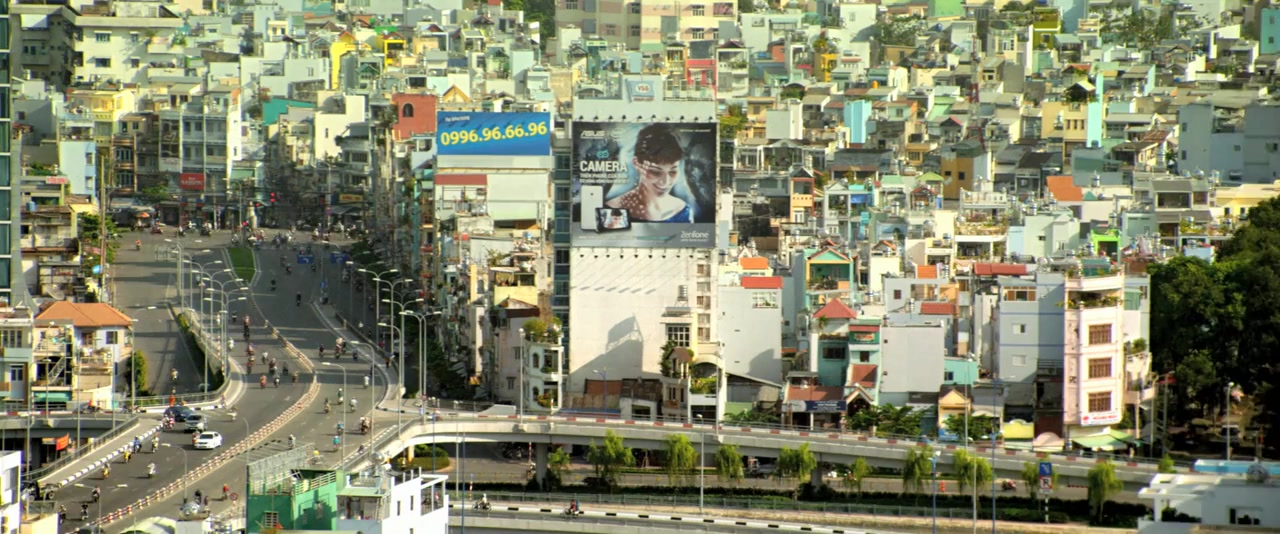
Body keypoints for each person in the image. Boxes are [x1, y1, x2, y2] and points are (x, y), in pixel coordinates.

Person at [604, 124, 692, 223]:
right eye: (655, 172)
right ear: (636, 163)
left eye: (673, 172)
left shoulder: (682, 210)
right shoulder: (613, 209)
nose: (665, 181)